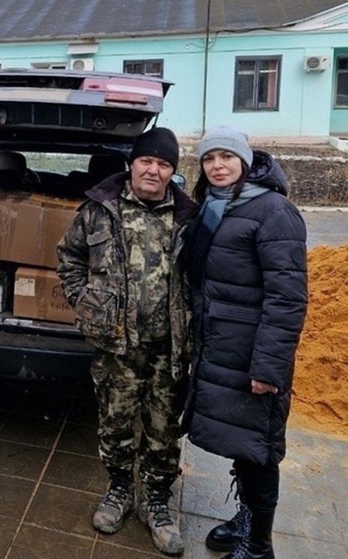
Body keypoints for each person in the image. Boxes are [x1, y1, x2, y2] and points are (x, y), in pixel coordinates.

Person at [56, 127, 197, 555]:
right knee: (115, 427)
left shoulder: (191, 217)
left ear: (173, 171)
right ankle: (119, 491)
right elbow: (69, 257)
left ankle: (156, 502)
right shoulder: (99, 210)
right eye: (146, 161)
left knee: (163, 432)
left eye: (164, 164)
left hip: (169, 350)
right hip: (117, 347)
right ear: (132, 164)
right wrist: (85, 304)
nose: (153, 170)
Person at [182, 127, 308, 559]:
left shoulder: (274, 211)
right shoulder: (215, 208)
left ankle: (259, 547)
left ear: (245, 161)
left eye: (226, 157)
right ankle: (247, 519)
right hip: (221, 347)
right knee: (244, 444)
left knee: (260, 451)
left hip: (254, 353)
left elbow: (287, 297)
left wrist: (268, 367)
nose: (217, 165)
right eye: (208, 158)